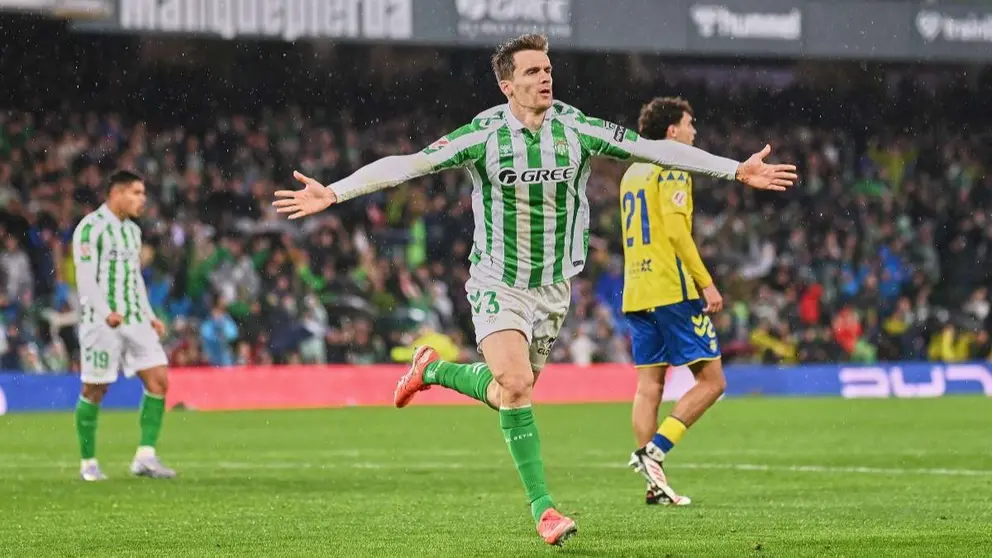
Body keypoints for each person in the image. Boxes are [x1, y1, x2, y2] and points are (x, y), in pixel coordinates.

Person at [273, 34, 797, 546]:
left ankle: (431, 369)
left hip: (554, 287)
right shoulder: (482, 135)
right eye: (531, 71)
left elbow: (652, 149)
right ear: (507, 85)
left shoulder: (577, 128)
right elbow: (408, 165)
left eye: (547, 69)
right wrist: (336, 191)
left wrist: (735, 170)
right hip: (497, 279)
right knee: (517, 384)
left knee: (508, 394)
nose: (545, 77)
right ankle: (543, 509)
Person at [620, 97, 731, 505]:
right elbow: (675, 231)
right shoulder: (674, 163)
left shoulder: (632, 172)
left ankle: (655, 484)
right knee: (713, 380)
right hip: (672, 288)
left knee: (649, 386)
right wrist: (707, 283)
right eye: (690, 123)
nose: (693, 131)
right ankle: (655, 451)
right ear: (671, 131)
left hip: (637, 289)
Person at [72, 170, 176, 481]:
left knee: (158, 379)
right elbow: (85, 278)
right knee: (95, 388)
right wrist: (105, 311)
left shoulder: (133, 232)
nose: (142, 199)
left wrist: (149, 313)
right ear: (115, 194)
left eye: (143, 193)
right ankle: (88, 462)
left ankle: (145, 457)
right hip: (101, 322)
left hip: (134, 318)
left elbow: (134, 279)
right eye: (136, 193)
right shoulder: (90, 228)